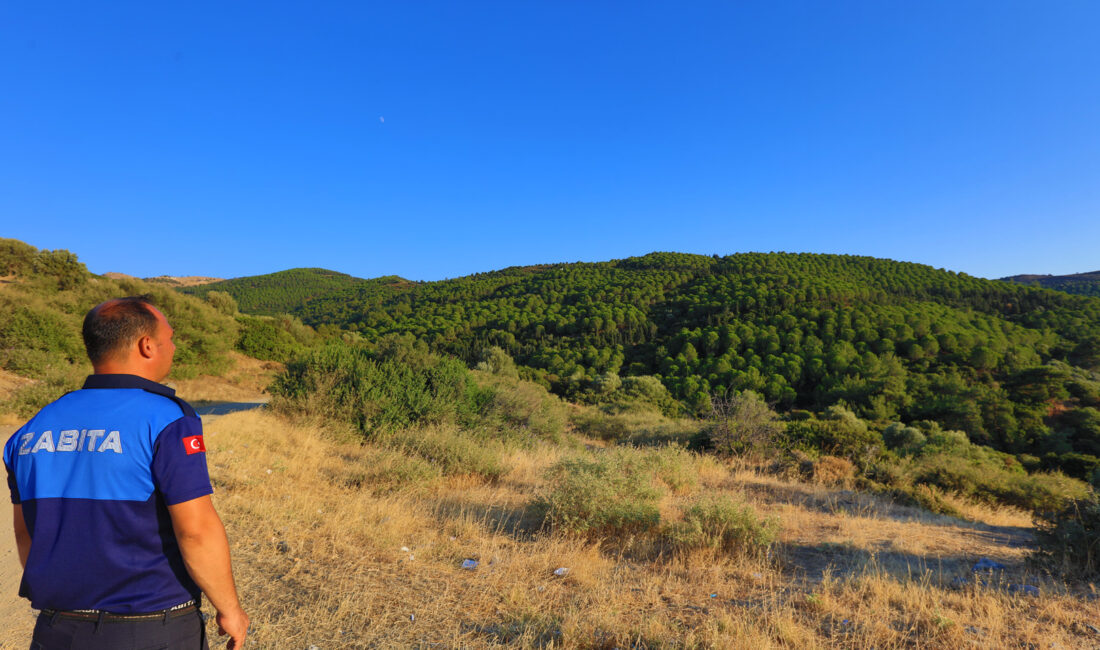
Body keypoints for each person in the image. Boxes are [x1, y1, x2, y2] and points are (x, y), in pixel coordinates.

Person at [3, 296, 248, 649]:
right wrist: (230, 609)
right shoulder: (167, 419)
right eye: (170, 337)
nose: (173, 347)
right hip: (150, 627)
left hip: (57, 629)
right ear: (147, 346)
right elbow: (195, 530)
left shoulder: (32, 428)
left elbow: (25, 532)